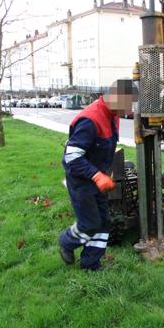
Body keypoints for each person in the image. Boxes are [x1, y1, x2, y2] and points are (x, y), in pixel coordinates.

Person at [59, 79, 134, 271]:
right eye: (127, 105)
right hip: (81, 180)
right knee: (90, 223)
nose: (128, 111)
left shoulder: (112, 114)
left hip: (98, 178)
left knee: (103, 222)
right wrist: (96, 175)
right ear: (115, 98)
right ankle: (67, 241)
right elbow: (72, 156)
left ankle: (90, 264)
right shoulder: (90, 120)